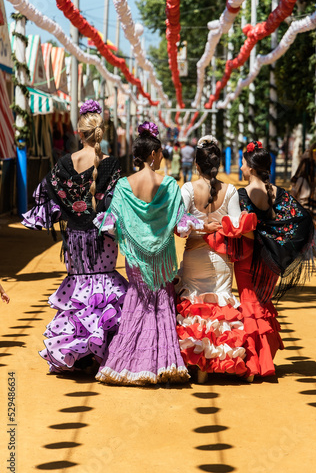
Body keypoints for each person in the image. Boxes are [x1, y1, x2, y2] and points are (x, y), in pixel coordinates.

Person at [21, 99, 128, 374]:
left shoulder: (64, 163)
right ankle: (103, 350)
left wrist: (66, 212)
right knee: (103, 291)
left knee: (79, 293)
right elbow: (119, 204)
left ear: (79, 133)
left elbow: (45, 193)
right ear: (99, 131)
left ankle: (78, 354)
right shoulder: (112, 165)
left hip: (76, 242)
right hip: (102, 240)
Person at [94, 121, 202, 386]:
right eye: (161, 153)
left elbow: (112, 223)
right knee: (160, 304)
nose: (163, 157)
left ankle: (124, 365)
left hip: (135, 259)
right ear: (153, 154)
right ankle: (163, 363)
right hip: (162, 259)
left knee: (138, 302)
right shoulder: (169, 185)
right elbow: (180, 225)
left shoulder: (122, 185)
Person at [234, 140, 316, 377]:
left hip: (250, 260)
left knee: (251, 308)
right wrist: (274, 238)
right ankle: (265, 360)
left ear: (251, 168)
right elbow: (301, 218)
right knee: (263, 306)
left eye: (242, 163)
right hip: (271, 261)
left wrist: (258, 232)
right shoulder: (277, 192)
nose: (240, 168)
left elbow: (245, 228)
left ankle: (255, 364)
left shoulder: (243, 193)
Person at [176, 136, 257, 384]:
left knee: (195, 307)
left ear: (196, 165)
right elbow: (235, 227)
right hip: (223, 259)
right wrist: (217, 227)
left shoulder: (188, 189)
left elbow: (179, 228)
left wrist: (201, 226)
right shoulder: (230, 190)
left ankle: (199, 364)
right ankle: (224, 361)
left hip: (194, 257)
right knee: (221, 309)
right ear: (218, 164)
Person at [291, 141, 316, 232]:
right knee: (305, 219)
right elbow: (296, 177)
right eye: (314, 149)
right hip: (306, 196)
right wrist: (293, 190)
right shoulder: (306, 163)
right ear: (311, 151)